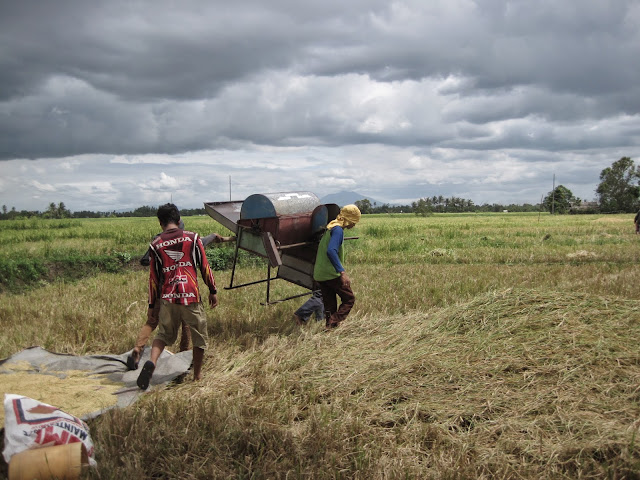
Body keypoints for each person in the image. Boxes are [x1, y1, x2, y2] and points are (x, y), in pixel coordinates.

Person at [136, 203, 219, 390]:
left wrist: (151, 306)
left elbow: (154, 279)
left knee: (164, 334)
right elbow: (204, 267)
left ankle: (152, 362)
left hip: (168, 296)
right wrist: (212, 290)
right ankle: (197, 376)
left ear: (160, 223)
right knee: (199, 336)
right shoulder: (193, 238)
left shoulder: (155, 245)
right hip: (190, 294)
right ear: (179, 219)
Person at [127, 226, 227, 370]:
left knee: (152, 321)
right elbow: (203, 244)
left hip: (162, 291)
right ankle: (183, 357)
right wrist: (214, 235)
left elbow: (145, 261)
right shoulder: (189, 239)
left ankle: (138, 348)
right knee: (187, 324)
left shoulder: (158, 240)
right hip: (182, 291)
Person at [313, 204, 361, 329]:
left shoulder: (331, 227)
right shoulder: (338, 230)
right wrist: (342, 272)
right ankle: (333, 322)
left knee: (330, 306)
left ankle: (329, 329)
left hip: (320, 273)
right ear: (349, 220)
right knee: (349, 299)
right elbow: (331, 251)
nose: (354, 225)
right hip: (331, 273)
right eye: (354, 221)